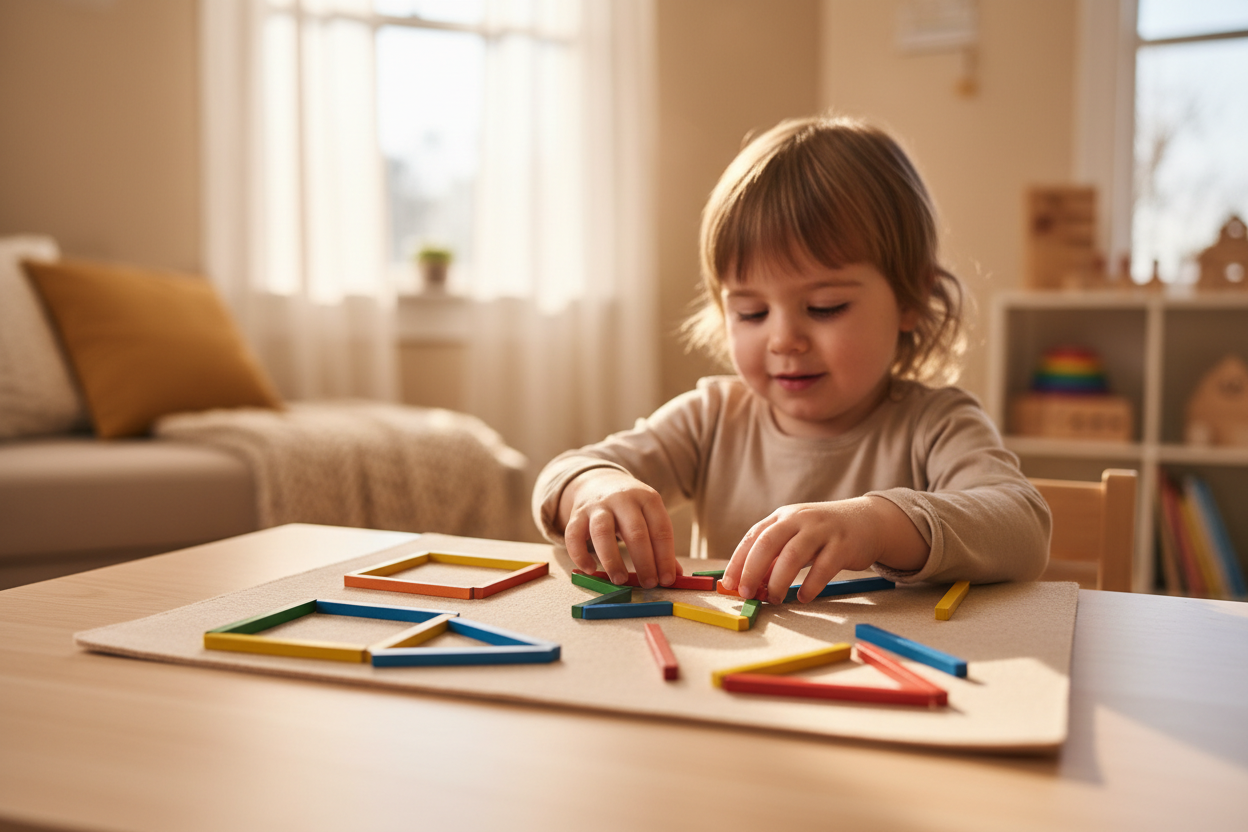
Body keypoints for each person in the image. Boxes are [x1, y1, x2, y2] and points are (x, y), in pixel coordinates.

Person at [532, 114, 1050, 603]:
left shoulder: (935, 423)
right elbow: (563, 475)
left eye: (826, 307)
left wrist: (876, 524)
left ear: (911, 299)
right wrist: (597, 486)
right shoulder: (712, 418)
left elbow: (1023, 526)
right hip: (731, 679)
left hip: (885, 680)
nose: (784, 340)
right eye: (752, 312)